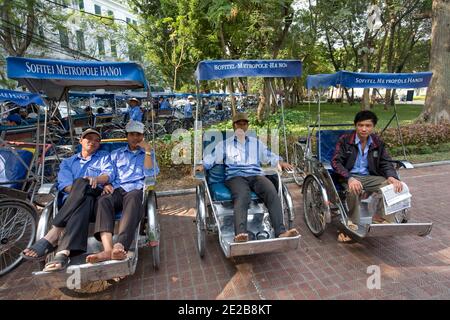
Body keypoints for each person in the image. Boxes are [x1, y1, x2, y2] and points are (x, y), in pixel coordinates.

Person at [195, 113, 299, 243]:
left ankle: (281, 232)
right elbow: (213, 157)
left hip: (255, 175)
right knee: (243, 195)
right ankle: (241, 234)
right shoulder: (225, 144)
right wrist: (202, 165)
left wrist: (280, 162)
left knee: (271, 190)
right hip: (235, 176)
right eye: (239, 123)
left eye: (244, 124)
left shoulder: (256, 143)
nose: (242, 126)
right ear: (234, 126)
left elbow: (268, 155)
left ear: (247, 126)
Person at [21, 129, 114, 271]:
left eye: (97, 140)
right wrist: (82, 186)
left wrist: (94, 179)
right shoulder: (68, 162)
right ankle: (63, 253)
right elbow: (66, 186)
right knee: (84, 194)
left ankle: (54, 233)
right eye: (89, 138)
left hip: (98, 196)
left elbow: (108, 175)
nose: (93, 142)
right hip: (78, 200)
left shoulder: (103, 157)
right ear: (80, 141)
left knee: (83, 183)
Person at [86, 120, 159, 263]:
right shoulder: (116, 154)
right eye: (132, 134)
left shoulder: (147, 153)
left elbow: (150, 173)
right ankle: (107, 249)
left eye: (139, 135)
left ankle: (120, 245)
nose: (135, 138)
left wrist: (148, 151)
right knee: (103, 200)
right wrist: (106, 183)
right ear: (127, 136)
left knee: (133, 198)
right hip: (117, 188)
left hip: (136, 189)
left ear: (142, 136)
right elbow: (110, 173)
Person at [331, 110, 403, 235]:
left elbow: (385, 162)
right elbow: (336, 162)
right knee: (353, 189)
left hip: (370, 176)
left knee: (393, 186)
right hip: (349, 176)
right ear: (355, 125)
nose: (364, 129)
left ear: (373, 127)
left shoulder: (377, 142)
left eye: (368, 126)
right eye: (360, 125)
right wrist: (350, 178)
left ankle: (382, 219)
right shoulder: (345, 140)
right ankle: (352, 222)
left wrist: (392, 177)